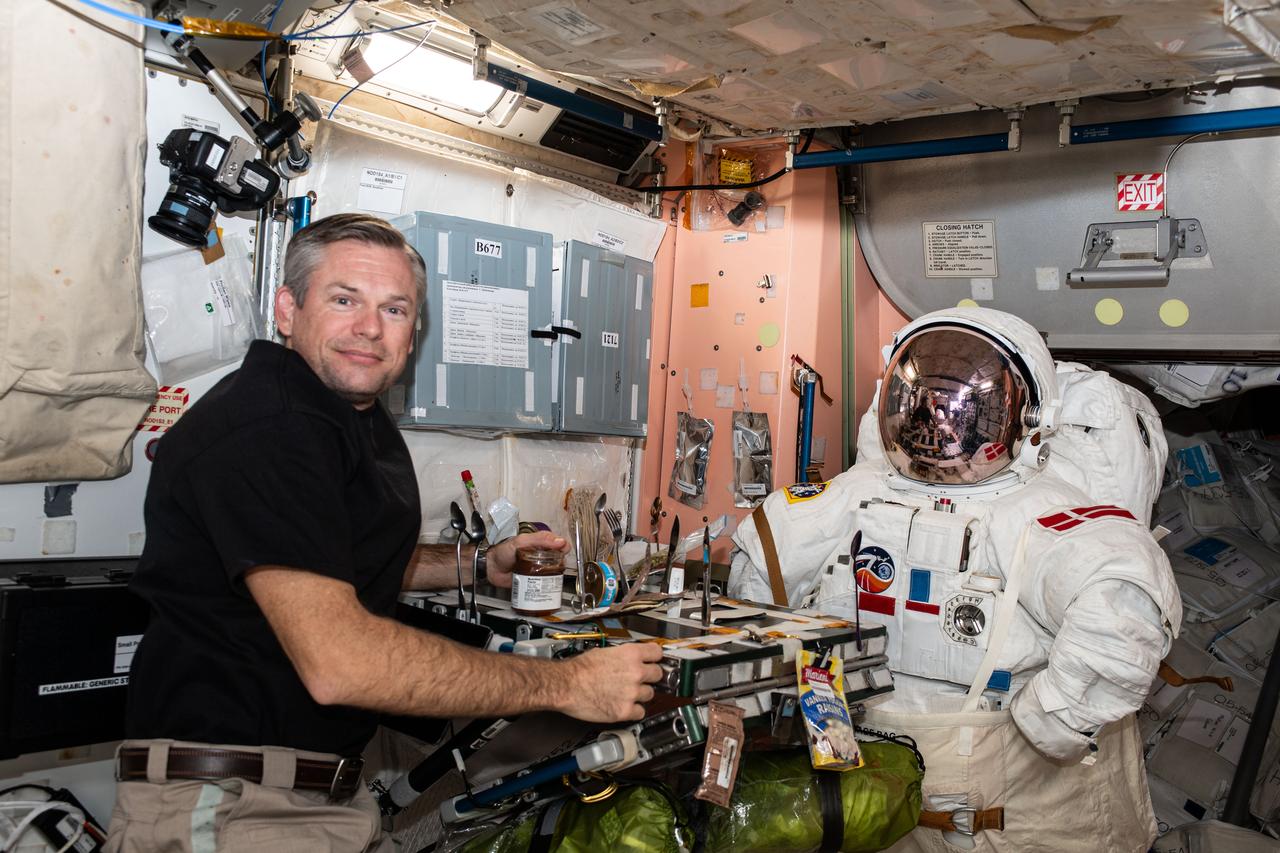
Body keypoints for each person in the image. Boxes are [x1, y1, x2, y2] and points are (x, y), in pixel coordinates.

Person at [106, 214, 663, 852]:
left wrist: (479, 565)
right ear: (288, 309)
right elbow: (341, 664)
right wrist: (569, 684)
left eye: (394, 309)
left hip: (305, 794)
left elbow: (334, 557)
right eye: (344, 300)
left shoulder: (342, 419)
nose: (369, 327)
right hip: (236, 806)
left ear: (414, 330)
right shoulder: (269, 429)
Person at [729, 306, 1180, 852]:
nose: (933, 427)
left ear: (1029, 419)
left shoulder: (1040, 511)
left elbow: (1124, 605)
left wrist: (1055, 717)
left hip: (1005, 803)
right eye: (920, 405)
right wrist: (758, 689)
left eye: (960, 410)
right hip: (867, 781)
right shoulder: (856, 492)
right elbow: (759, 572)